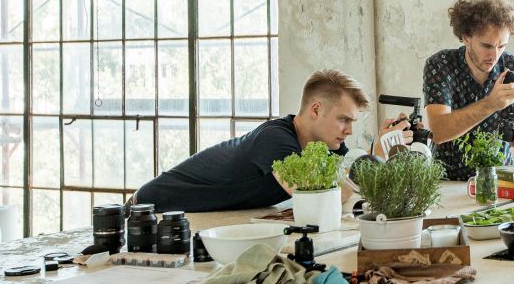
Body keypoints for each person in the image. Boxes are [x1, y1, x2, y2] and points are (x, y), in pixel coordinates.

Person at [133, 69, 411, 212]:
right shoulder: (274, 139)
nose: (348, 130)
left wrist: (378, 152)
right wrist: (367, 164)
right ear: (316, 109)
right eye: (344, 120)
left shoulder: (327, 147)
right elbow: (318, 200)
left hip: (201, 217)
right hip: (152, 208)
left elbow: (348, 183)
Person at [423, 0, 514, 180]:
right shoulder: (441, 64)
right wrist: (490, 104)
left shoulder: (513, 66)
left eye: (502, 46)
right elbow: (438, 131)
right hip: (448, 182)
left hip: (498, 181)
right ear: (466, 37)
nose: (494, 55)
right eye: (486, 46)